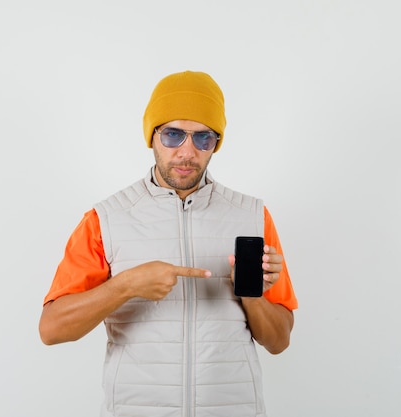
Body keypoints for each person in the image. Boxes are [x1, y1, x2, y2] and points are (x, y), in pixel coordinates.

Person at [39, 70, 298, 417]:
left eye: (203, 138)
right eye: (173, 135)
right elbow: (52, 328)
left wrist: (249, 295)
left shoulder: (252, 217)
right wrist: (126, 285)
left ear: (216, 142)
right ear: (152, 135)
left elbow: (279, 341)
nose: (187, 152)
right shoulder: (106, 219)